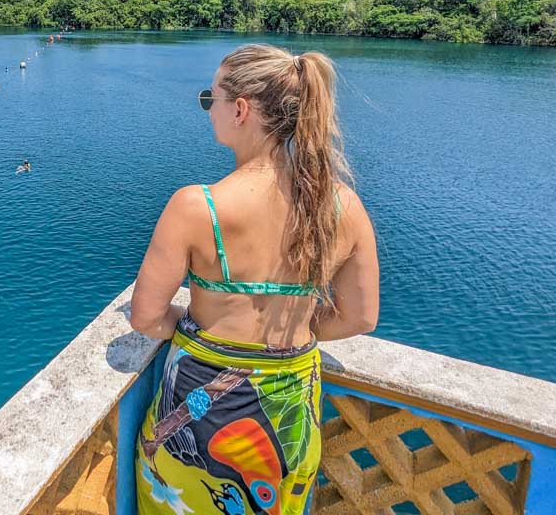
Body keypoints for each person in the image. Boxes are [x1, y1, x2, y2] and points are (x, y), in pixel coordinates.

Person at [130, 44, 378, 515]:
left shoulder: (196, 207)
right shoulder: (344, 207)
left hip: (197, 427)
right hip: (289, 424)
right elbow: (361, 317)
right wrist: (300, 328)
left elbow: (145, 317)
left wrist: (199, 325)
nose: (208, 110)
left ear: (240, 109)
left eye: (211, 98)